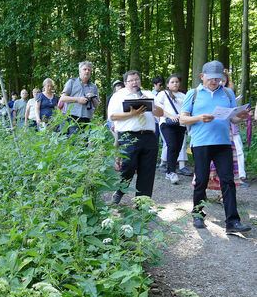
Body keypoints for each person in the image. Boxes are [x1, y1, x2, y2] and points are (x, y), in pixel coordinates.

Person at [180, 60, 251, 234]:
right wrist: (199, 118)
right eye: (211, 78)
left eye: (218, 78)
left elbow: (233, 118)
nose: (214, 82)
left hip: (223, 143)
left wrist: (241, 116)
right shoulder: (193, 93)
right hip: (201, 143)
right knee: (202, 180)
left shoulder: (228, 93)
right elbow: (182, 119)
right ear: (202, 76)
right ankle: (198, 214)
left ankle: (232, 222)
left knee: (228, 181)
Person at [108, 70, 164, 203]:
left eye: (137, 80)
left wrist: (149, 103)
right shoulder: (118, 96)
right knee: (128, 166)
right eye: (131, 80)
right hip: (128, 136)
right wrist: (132, 114)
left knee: (147, 170)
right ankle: (120, 190)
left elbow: (160, 112)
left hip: (149, 136)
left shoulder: (148, 94)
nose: (135, 83)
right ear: (126, 83)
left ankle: (142, 203)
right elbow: (113, 116)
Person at [155, 74, 187, 184]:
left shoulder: (183, 96)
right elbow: (158, 109)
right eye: (172, 82)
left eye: (177, 82)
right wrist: (171, 116)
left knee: (178, 148)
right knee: (172, 146)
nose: (175, 84)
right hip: (167, 124)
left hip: (180, 124)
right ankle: (172, 172)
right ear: (168, 84)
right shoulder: (162, 94)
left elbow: (186, 110)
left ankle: (169, 171)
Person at [59, 61, 100, 134]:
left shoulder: (94, 87)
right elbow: (63, 98)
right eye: (85, 69)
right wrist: (78, 99)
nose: (87, 71)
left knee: (85, 143)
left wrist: (93, 97)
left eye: (89, 70)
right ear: (79, 71)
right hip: (73, 118)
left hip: (87, 119)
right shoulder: (72, 82)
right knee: (75, 142)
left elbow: (97, 105)